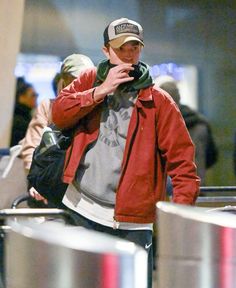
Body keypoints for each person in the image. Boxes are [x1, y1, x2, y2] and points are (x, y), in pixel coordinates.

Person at [51, 18, 200, 288]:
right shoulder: (89, 79)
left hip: (134, 223)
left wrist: (179, 222)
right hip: (82, 209)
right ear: (106, 50)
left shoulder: (159, 101)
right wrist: (100, 91)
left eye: (134, 47)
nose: (129, 55)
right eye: (121, 49)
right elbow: (59, 115)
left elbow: (183, 166)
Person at [20, 54, 94, 205]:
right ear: (64, 80)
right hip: (50, 184)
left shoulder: (94, 106)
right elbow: (32, 147)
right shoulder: (49, 107)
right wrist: (36, 182)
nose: (79, 83)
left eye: (84, 78)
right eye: (74, 78)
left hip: (82, 188)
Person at [158, 79, 218, 185]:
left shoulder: (158, 124)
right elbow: (212, 157)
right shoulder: (200, 124)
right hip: (195, 184)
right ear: (179, 97)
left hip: (164, 188)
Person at [10, 79, 38, 147]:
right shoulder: (19, 121)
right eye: (33, 95)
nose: (36, 98)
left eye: (37, 95)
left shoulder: (25, 116)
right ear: (21, 97)